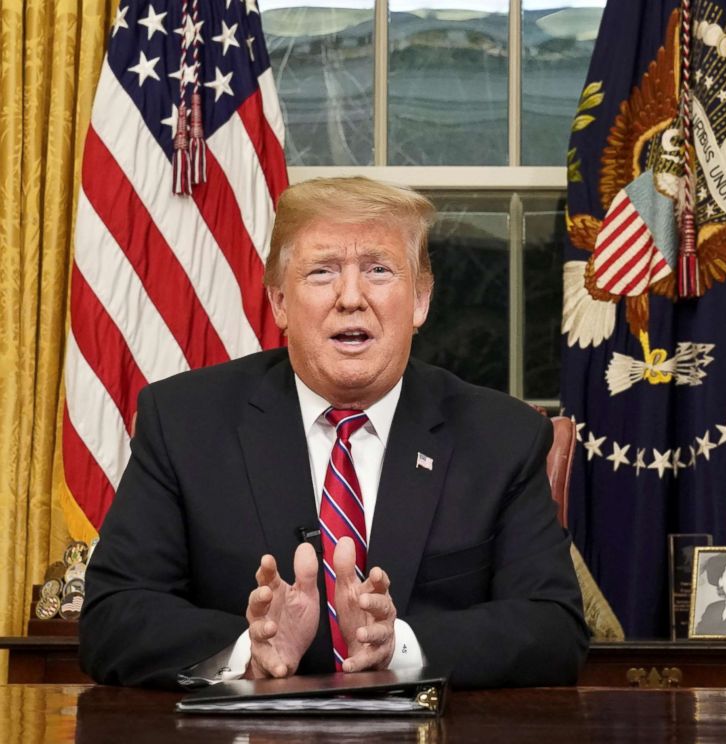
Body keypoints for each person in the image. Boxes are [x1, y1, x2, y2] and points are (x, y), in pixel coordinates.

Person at [79, 177, 589, 689]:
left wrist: (402, 647)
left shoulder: (501, 438)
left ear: (420, 300)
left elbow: (552, 627)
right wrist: (246, 652)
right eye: (322, 272)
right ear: (279, 302)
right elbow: (112, 616)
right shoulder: (185, 423)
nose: (351, 297)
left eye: (378, 270)